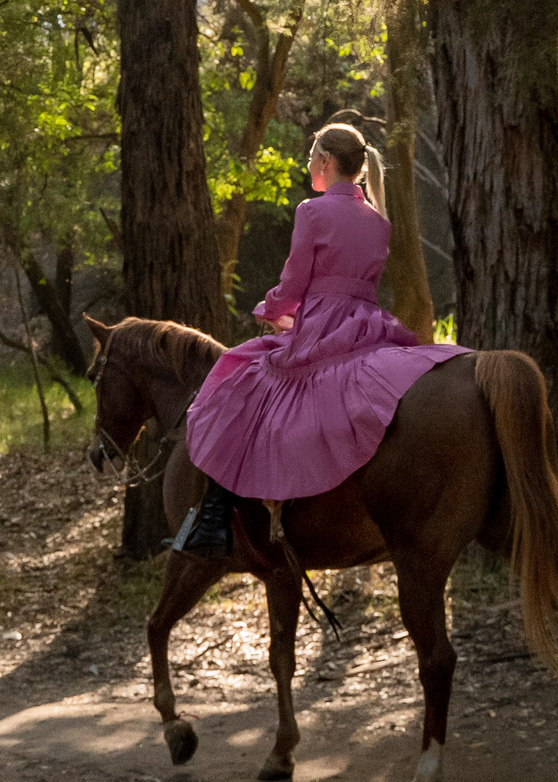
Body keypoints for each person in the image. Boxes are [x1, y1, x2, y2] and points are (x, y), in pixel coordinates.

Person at [176, 122, 468, 557]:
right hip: (367, 325)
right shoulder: (378, 221)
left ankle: (215, 521)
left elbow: (294, 286)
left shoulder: (311, 212)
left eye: (311, 157)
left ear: (326, 163)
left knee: (239, 382)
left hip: (320, 329)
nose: (308, 164)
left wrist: (269, 310)